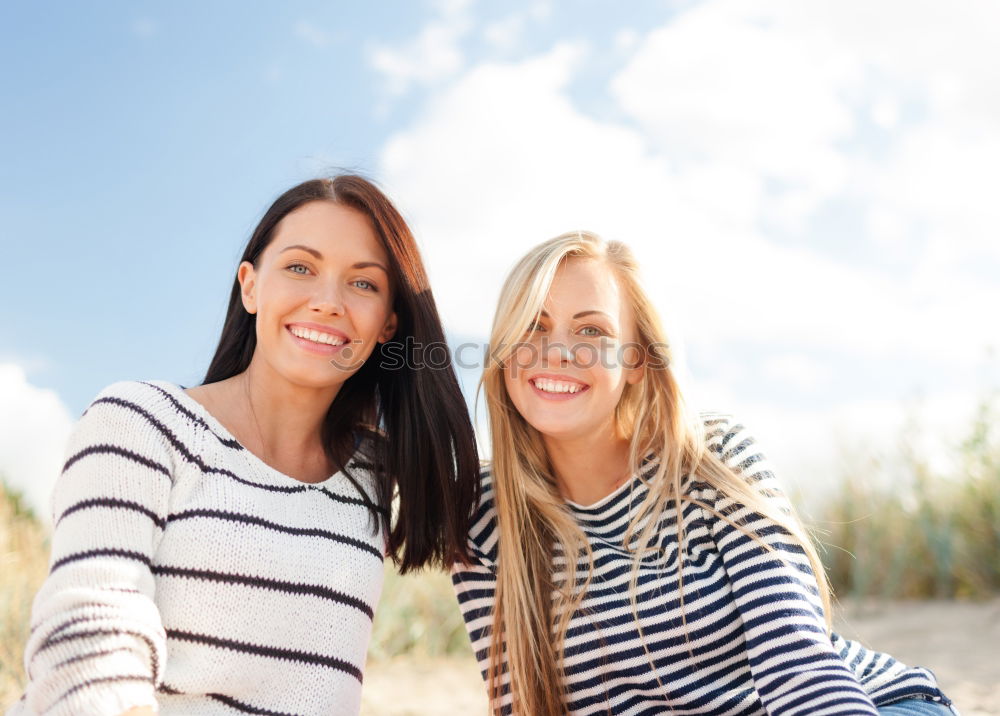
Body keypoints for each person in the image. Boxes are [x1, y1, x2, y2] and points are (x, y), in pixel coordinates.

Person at [10, 175, 480, 716]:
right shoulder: (142, 424)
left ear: (388, 326)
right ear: (250, 286)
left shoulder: (377, 476)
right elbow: (88, 640)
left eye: (364, 284)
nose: (327, 302)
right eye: (300, 268)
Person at [452, 231, 955, 715]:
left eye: (592, 331)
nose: (558, 351)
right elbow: (522, 705)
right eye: (534, 325)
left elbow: (798, 667)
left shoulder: (713, 458)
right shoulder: (483, 517)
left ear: (638, 361)